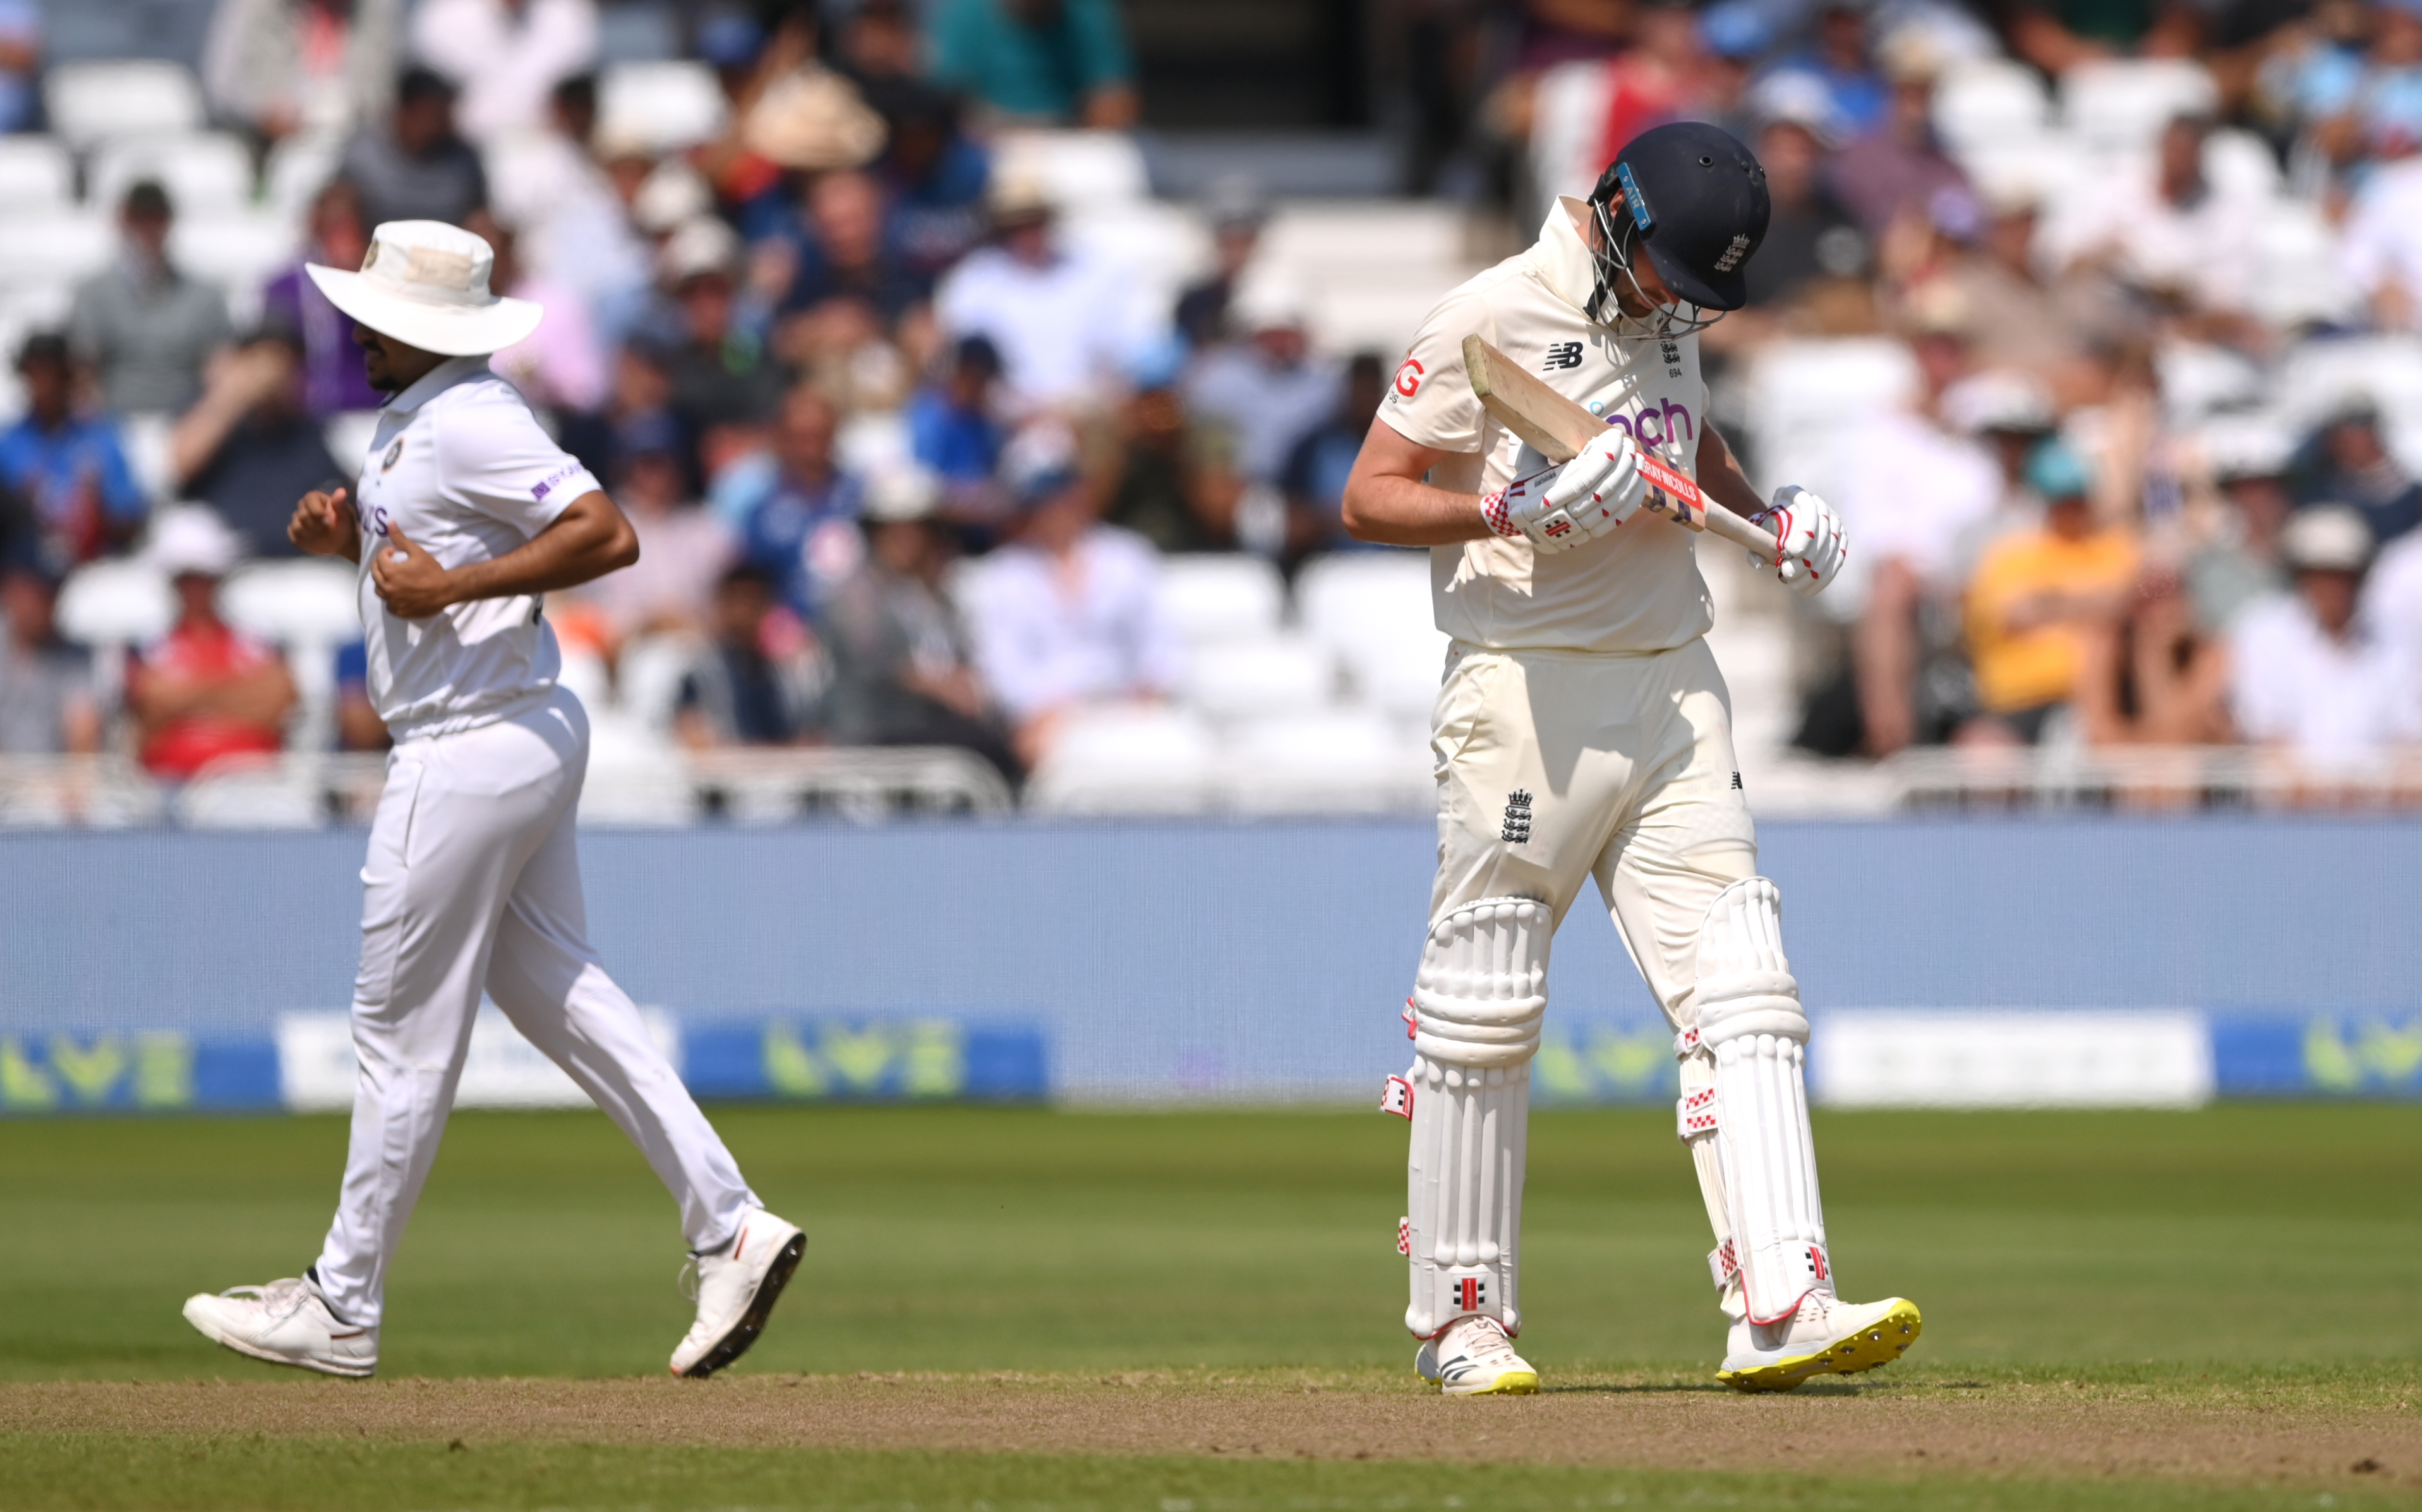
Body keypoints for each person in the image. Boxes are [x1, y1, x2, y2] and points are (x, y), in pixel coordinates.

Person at [1337, 123, 1915, 1396]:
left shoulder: (1667, 312)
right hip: (1526, 697)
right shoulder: (1488, 314)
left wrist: (1767, 522)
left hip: (1674, 684)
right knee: (1485, 1007)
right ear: (1612, 210)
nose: (1674, 300)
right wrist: (1510, 508)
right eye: (1666, 270)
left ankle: (1782, 1304)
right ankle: (1463, 1324)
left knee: (1744, 983)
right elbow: (1370, 493)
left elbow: (1683, 439)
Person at [179, 219, 803, 1380]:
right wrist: (351, 549)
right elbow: (425, 570)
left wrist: (453, 580)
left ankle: (342, 1301)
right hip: (511, 728)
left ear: (426, 329)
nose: (359, 330)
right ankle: (730, 1224)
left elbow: (603, 533)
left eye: (379, 315)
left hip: (465, 746)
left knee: (398, 1035)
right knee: (559, 991)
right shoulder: (417, 416)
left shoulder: (471, 414)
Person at [961, 426, 1181, 769]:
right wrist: (1056, 710)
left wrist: (1143, 697)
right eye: (1040, 501)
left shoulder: (1128, 558)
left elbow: (1161, 646)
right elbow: (1005, 671)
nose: (1054, 508)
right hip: (1051, 717)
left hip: (1126, 708)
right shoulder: (1004, 575)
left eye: (1061, 492)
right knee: (1043, 748)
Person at [821, 472, 1017, 779]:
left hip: (928, 734)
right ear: (874, 532)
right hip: (877, 732)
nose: (907, 540)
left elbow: (960, 655)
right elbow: (876, 660)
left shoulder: (933, 594)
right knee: (988, 753)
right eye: (893, 530)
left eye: (916, 530)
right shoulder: (856, 593)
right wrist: (945, 686)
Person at [1960, 440, 2143, 744]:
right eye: (2061, 501)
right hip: (2016, 703)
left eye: (2077, 499)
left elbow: (2133, 600)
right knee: (1984, 752)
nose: (2070, 511)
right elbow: (2014, 613)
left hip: (2101, 701)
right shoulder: (2010, 555)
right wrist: (2095, 602)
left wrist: (2050, 603)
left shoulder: (2116, 549)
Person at [2232, 505, 2421, 762]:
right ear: (2300, 576)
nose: (2334, 587)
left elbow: (2408, 739)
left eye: (2344, 575)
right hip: (2285, 799)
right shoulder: (2263, 633)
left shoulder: (2395, 638)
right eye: (2321, 574)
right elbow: (2265, 734)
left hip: (2377, 799)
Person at [933, 174, 1135, 414]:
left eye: (1035, 222)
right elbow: (958, 356)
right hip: (1001, 414)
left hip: (1082, 409)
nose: (1028, 234)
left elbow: (1118, 354)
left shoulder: (1091, 273)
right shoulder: (976, 279)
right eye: (1017, 226)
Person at [128, 507, 296, 781]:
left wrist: (186, 700)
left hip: (253, 781)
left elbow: (279, 700)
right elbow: (150, 706)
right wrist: (237, 694)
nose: (196, 588)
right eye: (186, 578)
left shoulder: (256, 641)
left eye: (204, 577)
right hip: (170, 784)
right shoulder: (148, 644)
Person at [170, 331, 349, 558]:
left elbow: (336, 493)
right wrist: (234, 392)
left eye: (283, 361)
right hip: (223, 561)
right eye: (259, 360)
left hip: (297, 564)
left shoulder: (307, 431)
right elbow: (180, 466)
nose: (270, 372)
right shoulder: (215, 419)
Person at [68, 181, 236, 418]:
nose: (148, 228)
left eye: (157, 217)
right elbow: (83, 381)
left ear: (169, 222)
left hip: (185, 428)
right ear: (123, 221)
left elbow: (221, 376)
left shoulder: (206, 296)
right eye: (139, 218)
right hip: (116, 425)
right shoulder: (91, 294)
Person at [0, 334, 148, 568]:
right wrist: (23, 510)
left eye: (52, 374)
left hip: (91, 566)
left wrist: (97, 509)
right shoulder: (7, 442)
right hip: (23, 567)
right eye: (34, 374)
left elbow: (132, 520)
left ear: (68, 378)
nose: (43, 385)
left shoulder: (101, 437)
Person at [1182, 277, 1343, 486]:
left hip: (1303, 491)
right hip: (1234, 488)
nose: (1281, 343)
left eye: (1288, 333)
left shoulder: (1322, 382)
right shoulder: (1218, 378)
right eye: (1272, 333)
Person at [260, 179, 387, 419]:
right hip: (306, 419)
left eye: (352, 227)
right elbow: (274, 358)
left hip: (372, 413)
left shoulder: (383, 287)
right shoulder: (284, 287)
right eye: (334, 227)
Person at [735, 387, 865, 621]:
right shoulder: (762, 514)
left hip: (864, 630)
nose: (811, 448)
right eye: (801, 438)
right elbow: (753, 591)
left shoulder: (863, 499)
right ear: (781, 440)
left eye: (820, 436)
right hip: (793, 638)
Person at [203, 0, 402, 143]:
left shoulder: (376, 10)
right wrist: (261, 113)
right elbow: (221, 85)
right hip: (262, 144)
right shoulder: (252, 6)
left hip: (350, 148)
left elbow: (384, 96)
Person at [927, 0, 1138, 129]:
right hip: (988, 140)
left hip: (1069, 139)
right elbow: (945, 99)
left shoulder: (1089, 11)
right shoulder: (966, 12)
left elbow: (1116, 98)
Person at [408, 0, 597, 144]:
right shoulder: (441, 16)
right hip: (463, 150)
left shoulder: (571, 16)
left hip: (549, 151)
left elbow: (578, 106)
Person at [675, 561, 821, 747]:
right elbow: (694, 739)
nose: (741, 614)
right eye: (733, 602)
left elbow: (807, 737)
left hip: (781, 772)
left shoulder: (786, 674)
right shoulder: (699, 673)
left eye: (752, 604)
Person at [339, 67, 489, 229]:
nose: (444, 122)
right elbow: (337, 208)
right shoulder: (364, 155)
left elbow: (479, 216)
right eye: (433, 113)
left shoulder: (465, 162)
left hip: (448, 251)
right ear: (405, 111)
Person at [0, 555, 102, 756]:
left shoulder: (76, 656)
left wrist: (75, 777)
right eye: (37, 591)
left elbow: (82, 723)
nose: (47, 601)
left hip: (51, 777)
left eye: (53, 591)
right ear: (10, 591)